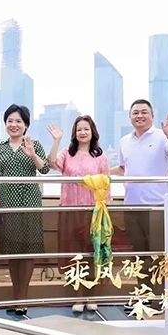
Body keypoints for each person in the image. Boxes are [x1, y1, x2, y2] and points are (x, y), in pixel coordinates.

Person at [109, 99, 168, 312]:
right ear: (130, 116)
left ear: (152, 115)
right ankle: (143, 296)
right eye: (135, 112)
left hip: (157, 205)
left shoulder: (161, 136)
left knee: (157, 255)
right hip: (131, 206)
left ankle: (160, 299)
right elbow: (123, 168)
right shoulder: (125, 141)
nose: (139, 116)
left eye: (144, 112)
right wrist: (99, 172)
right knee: (138, 255)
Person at [0, 104, 50, 315]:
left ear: (26, 125)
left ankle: (22, 298)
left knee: (27, 251)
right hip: (7, 203)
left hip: (30, 202)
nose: (14, 125)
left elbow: (45, 169)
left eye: (18, 121)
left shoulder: (34, 144)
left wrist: (32, 155)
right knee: (12, 251)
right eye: (10, 121)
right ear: (5, 124)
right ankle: (16, 295)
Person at [47, 116, 110, 313]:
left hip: (93, 211)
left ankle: (91, 295)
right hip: (70, 209)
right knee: (74, 254)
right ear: (74, 133)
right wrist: (56, 140)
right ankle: (77, 297)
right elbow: (51, 164)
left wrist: (105, 210)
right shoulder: (67, 153)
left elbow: (106, 185)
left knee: (93, 253)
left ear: (93, 132)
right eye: (79, 129)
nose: (83, 132)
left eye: (86, 129)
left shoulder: (100, 157)